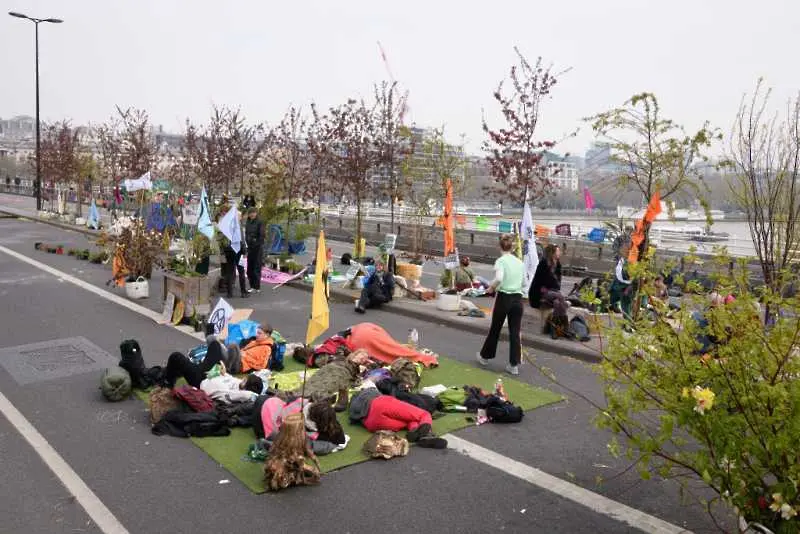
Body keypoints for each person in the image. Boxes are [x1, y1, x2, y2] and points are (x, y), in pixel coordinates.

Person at [477, 234, 525, 375]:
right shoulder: (519, 262)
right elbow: (524, 283)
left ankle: (485, 357)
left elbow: (499, 278)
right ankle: (514, 365)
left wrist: (491, 287)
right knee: (515, 332)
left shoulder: (501, 261)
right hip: (518, 298)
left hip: (504, 297)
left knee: (495, 328)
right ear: (512, 247)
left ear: (499, 247)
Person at [349, 384, 447, 449]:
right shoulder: (370, 391)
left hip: (371, 423)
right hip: (380, 405)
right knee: (424, 414)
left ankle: (418, 433)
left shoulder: (354, 405)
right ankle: (427, 432)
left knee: (409, 420)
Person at [342, 323, 439, 367]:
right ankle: (421, 356)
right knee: (392, 347)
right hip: (368, 335)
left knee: (389, 349)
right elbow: (382, 333)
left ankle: (419, 355)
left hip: (362, 341)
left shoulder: (345, 342)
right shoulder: (362, 326)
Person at [217, 205, 248, 299]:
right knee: (241, 271)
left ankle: (230, 293)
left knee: (230, 271)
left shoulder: (224, 225)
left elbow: (220, 239)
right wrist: (244, 250)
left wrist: (222, 250)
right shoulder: (237, 224)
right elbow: (242, 238)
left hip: (228, 250)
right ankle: (243, 292)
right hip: (238, 250)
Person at [529, 244, 569, 317]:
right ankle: (561, 319)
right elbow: (547, 282)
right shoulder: (543, 263)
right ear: (552, 253)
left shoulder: (558, 265)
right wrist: (554, 284)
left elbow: (557, 284)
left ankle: (557, 322)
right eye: (558, 251)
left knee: (557, 302)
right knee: (560, 297)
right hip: (539, 293)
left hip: (551, 291)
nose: (559, 252)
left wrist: (554, 284)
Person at [244, 207, 266, 293]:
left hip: (257, 247)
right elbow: (246, 233)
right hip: (249, 247)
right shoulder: (248, 222)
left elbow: (262, 235)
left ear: (256, 213)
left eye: (253, 213)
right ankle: (251, 285)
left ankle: (257, 287)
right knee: (250, 267)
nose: (252, 214)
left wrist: (256, 242)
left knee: (256, 267)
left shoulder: (260, 222)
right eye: (250, 213)